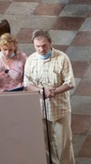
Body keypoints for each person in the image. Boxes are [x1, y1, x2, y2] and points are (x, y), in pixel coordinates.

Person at [23, 29, 76, 164]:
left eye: (44, 46)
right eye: (37, 46)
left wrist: (54, 91)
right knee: (44, 144)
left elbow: (70, 82)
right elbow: (27, 82)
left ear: (51, 43)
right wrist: (41, 91)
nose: (41, 49)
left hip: (60, 108)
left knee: (63, 144)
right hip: (40, 109)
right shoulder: (30, 60)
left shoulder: (62, 58)